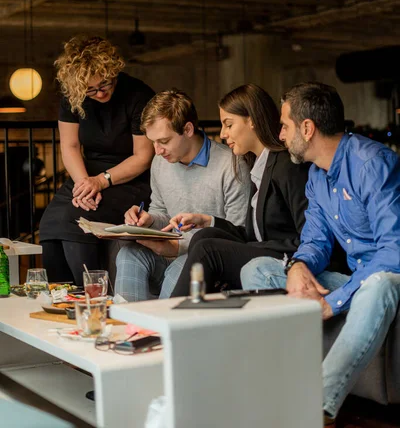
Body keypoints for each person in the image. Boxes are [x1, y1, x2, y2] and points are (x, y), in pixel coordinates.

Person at [240, 82, 400, 426]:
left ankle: (315, 409)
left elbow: (394, 251)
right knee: (258, 270)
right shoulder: (317, 175)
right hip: (354, 279)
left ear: (307, 129)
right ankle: (281, 383)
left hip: (387, 280)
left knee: (378, 284)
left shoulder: (372, 164)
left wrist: (336, 300)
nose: (280, 136)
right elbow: (315, 240)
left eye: (284, 126)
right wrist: (298, 266)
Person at [168, 83, 311, 297]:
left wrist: (260, 249)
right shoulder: (257, 165)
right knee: (204, 236)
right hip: (264, 250)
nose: (224, 134)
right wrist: (208, 220)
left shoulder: (287, 166)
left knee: (207, 250)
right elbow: (253, 233)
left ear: (251, 120)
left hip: (285, 258)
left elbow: (307, 236)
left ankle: (173, 318)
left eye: (229, 125)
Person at [114, 89, 251, 301]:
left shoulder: (230, 165)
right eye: (153, 142)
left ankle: (161, 332)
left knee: (182, 266)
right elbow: (161, 211)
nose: (157, 150)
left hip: (208, 262)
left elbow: (236, 234)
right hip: (171, 253)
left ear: (187, 129)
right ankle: (127, 329)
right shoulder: (161, 162)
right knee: (128, 254)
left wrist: (177, 247)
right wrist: (149, 220)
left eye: (164, 141)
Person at [39, 35, 155, 285]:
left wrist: (100, 183)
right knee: (50, 222)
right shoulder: (74, 96)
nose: (101, 93)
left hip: (129, 177)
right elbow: (70, 146)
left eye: (105, 84)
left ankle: (91, 297)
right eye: (91, 90)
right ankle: (63, 299)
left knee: (75, 219)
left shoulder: (138, 95)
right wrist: (84, 185)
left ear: (113, 70)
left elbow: (143, 156)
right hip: (87, 175)